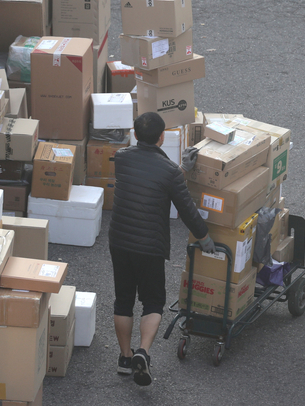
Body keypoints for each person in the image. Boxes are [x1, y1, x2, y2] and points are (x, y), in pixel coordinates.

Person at [109, 112, 215, 386]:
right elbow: (187, 210)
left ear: (134, 134)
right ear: (162, 137)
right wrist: (204, 238)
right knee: (153, 302)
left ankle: (124, 358)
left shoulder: (121, 158)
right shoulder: (169, 172)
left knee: (123, 300)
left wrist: (178, 169)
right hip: (149, 246)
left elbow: (149, 175)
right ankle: (142, 352)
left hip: (119, 241)